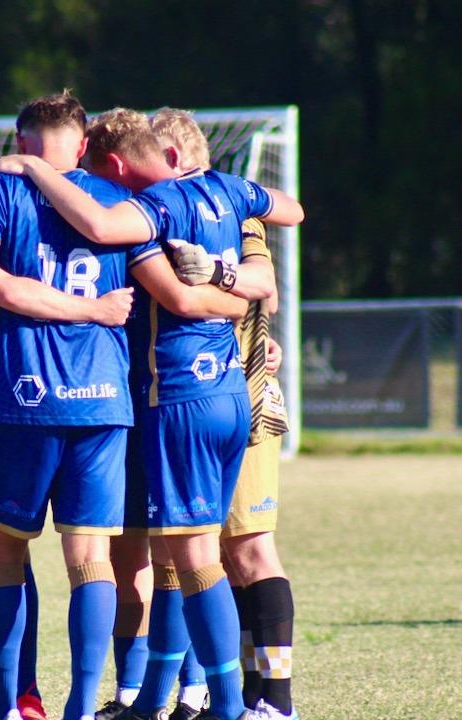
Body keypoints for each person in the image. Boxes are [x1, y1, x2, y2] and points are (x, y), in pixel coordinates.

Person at [0, 92, 218, 720]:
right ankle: (84, 706)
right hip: (105, 401)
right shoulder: (119, 201)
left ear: (21, 143)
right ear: (83, 147)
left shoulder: (1, 191)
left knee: (1, 551)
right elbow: (177, 294)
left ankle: (8, 705)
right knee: (92, 558)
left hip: (23, 400)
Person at [0, 107, 302, 720]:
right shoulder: (232, 191)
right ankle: (166, 696)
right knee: (181, 554)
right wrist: (231, 291)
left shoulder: (151, 212)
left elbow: (116, 237)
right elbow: (282, 227)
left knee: (198, 556)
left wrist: (31, 167)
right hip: (229, 395)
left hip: (180, 396)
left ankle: (231, 703)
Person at [153, 108, 297, 720]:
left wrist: (217, 273)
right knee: (219, 557)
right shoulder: (163, 211)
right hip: (195, 397)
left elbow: (263, 278)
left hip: (241, 397)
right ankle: (242, 692)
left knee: (253, 549)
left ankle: (280, 700)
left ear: (176, 155)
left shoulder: (231, 208)